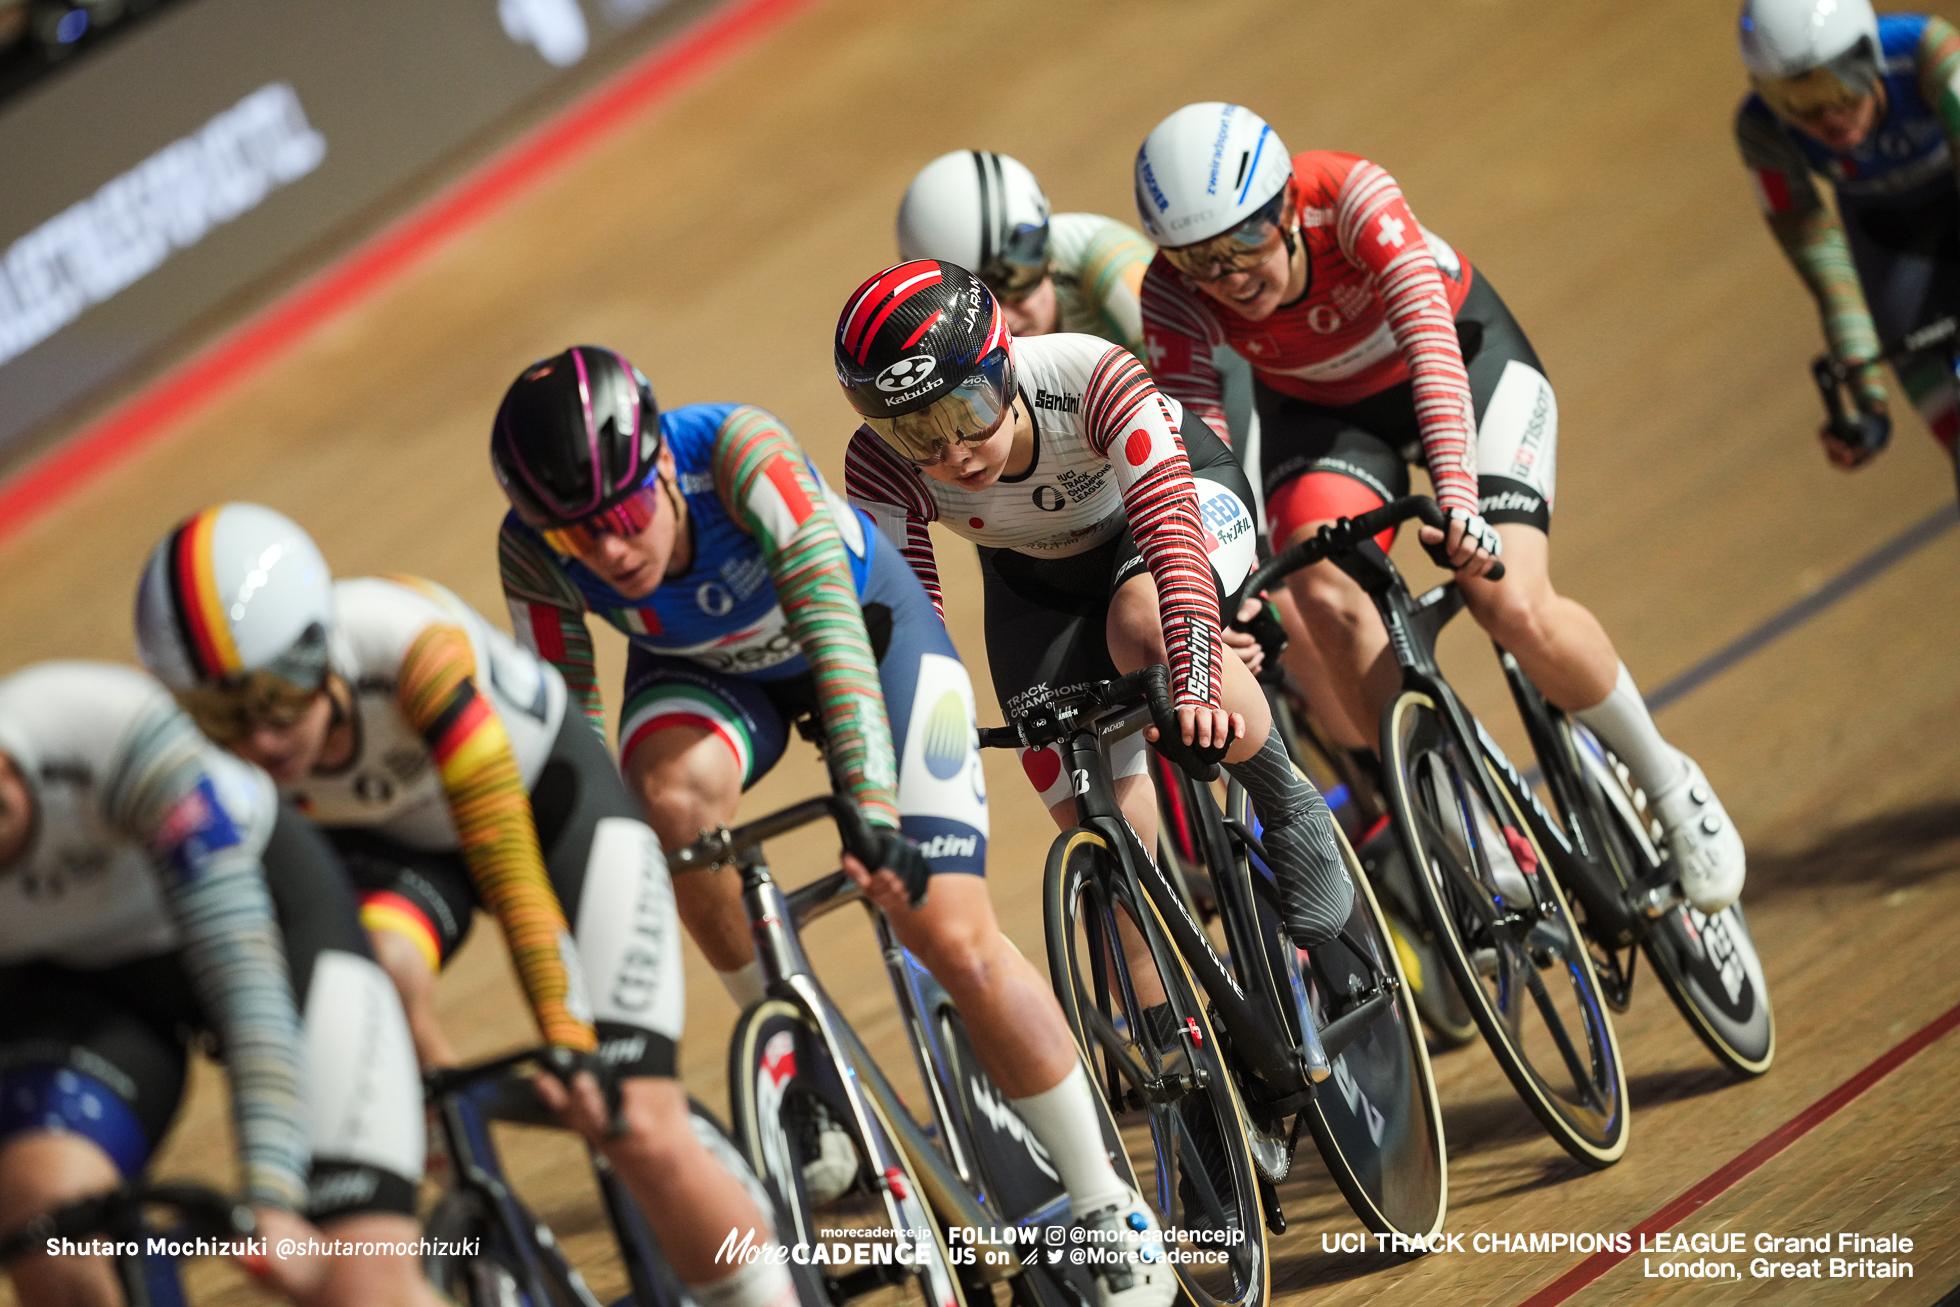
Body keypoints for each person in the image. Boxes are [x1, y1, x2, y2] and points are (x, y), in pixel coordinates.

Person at [489, 346, 1173, 1307]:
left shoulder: (738, 452)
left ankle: (1107, 1203)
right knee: (660, 813)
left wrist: (876, 813)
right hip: (707, 676)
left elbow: (834, 637)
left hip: (865, 635)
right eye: (574, 535)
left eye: (621, 515)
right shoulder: (529, 548)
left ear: (657, 465)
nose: (606, 552)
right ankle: (801, 1074)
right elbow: (571, 740)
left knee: (949, 930)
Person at [132, 504, 798, 1307]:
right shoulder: (187, 752)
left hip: (541, 806)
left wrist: (568, 1035)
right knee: (370, 972)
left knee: (639, 1124)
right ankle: (456, 1156)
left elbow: (509, 865)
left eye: (278, 695)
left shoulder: (411, 649)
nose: (263, 740)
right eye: (223, 717)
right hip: (393, 849)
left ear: (320, 647)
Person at [1132, 101, 1746, 915]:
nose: (1228, 278)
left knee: (1508, 597)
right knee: (1319, 591)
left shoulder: (1349, 196)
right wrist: (1222, 591)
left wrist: (1458, 498)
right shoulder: (1171, 297)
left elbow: (1431, 344)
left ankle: (1670, 785)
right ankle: (1462, 822)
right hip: (1327, 418)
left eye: (1242, 242)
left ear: (1285, 206)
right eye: (1197, 260)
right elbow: (1201, 456)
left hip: (1466, 362)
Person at [836, 259, 1353, 961]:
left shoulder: (1088, 374)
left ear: (1005, 367)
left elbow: (1170, 534)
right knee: (1107, 851)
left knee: (1141, 624)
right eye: (916, 433)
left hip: (1176, 506)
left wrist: (1197, 670)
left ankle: (1289, 807)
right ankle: (1180, 1049)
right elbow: (910, 625)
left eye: (968, 413)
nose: (953, 453)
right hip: (1038, 578)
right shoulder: (876, 465)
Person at [0, 661, 437, 1307]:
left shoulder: (108, 729)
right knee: (45, 1220)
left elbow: (246, 983)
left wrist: (273, 1193)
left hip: (268, 920)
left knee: (357, 1280)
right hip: (86, 991)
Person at [1736, 0, 1960, 491]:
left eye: (1838, 86)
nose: (1827, 117)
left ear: (1870, 55)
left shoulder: (1927, 51)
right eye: (1797, 102)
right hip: (1891, 244)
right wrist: (1869, 408)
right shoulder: (1761, 130)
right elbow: (1829, 272)